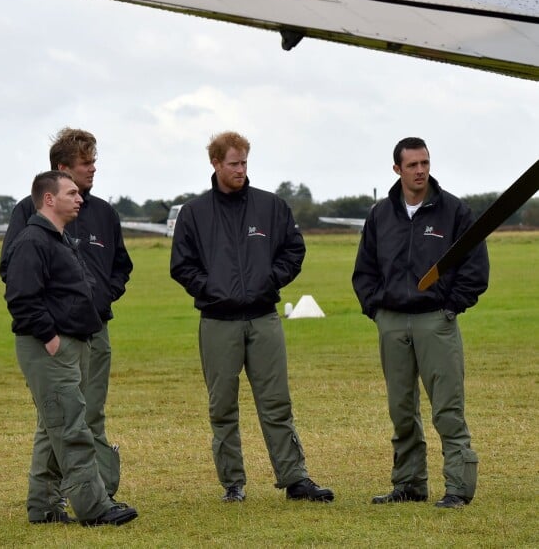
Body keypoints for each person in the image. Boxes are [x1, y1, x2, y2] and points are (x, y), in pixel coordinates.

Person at [170, 131, 334, 503]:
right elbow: (181, 266)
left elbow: (294, 251)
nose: (241, 169)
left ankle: (295, 479)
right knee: (223, 405)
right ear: (215, 163)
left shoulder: (271, 207)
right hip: (217, 322)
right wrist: (212, 289)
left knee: (277, 402)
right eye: (233, 163)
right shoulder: (194, 214)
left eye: (245, 162)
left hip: (264, 318)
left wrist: (268, 281)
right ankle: (233, 483)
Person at [0, 128, 133, 514]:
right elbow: (17, 278)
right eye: (85, 165)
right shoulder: (31, 220)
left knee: (82, 414)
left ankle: (52, 501)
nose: (92, 172)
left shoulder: (103, 212)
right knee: (66, 417)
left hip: (92, 329)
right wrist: (50, 331)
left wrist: (100, 301)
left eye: (94, 163)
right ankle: (92, 503)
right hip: (54, 336)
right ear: (61, 173)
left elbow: (119, 267)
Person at [352, 137, 489, 509]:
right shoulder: (381, 214)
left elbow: (475, 270)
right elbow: (364, 270)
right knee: (401, 408)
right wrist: (377, 311)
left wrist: (450, 308)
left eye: (425, 163)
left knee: (447, 407)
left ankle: (458, 487)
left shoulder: (454, 211)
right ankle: (409, 483)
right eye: (412, 165)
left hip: (436, 321)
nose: (420, 171)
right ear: (397, 169)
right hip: (392, 322)